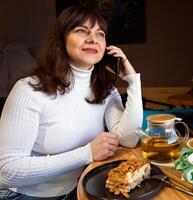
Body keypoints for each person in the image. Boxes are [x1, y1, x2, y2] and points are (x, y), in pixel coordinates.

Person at [0, 5, 142, 199]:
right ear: (61, 40)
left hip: (79, 189)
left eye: (100, 34)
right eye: (81, 30)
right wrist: (87, 153)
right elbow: (8, 171)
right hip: (28, 195)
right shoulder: (28, 89)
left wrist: (133, 80)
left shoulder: (104, 90)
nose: (93, 39)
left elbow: (129, 139)